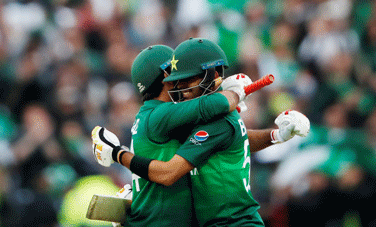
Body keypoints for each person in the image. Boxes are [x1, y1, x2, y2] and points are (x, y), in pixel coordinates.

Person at [93, 38, 310, 227]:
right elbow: (219, 108)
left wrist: (276, 136)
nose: (180, 84)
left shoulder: (175, 117)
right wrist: (231, 92)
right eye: (176, 77)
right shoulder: (168, 115)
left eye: (186, 78)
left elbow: (227, 138)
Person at [94, 44, 247, 227]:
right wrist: (236, 92)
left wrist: (274, 135)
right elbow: (220, 103)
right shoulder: (164, 114)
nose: (183, 77)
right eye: (178, 71)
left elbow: (221, 139)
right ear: (166, 76)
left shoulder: (161, 115)